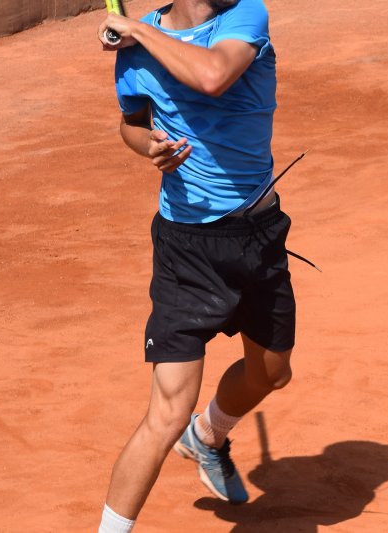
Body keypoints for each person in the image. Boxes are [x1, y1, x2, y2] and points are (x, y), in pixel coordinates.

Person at [96, 1, 299, 531]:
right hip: (187, 247)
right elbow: (131, 124)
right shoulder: (135, 53)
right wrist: (150, 147)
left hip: (258, 234)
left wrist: (137, 31)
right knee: (166, 412)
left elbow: (213, 75)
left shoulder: (245, 15)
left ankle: (207, 437)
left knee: (272, 373)